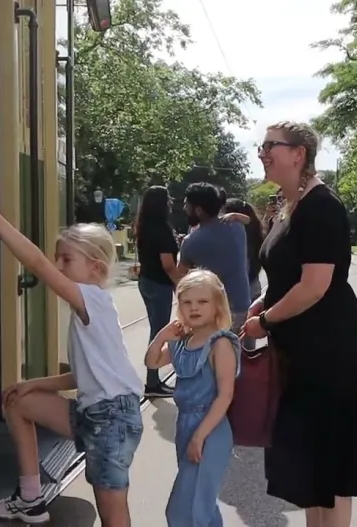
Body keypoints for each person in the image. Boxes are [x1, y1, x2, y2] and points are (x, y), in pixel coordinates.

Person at [0, 190, 143, 526]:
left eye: (66, 260)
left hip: (111, 418)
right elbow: (81, 376)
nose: (58, 266)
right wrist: (31, 385)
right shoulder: (90, 309)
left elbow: (36, 263)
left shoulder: (90, 299)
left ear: (95, 268)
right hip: (98, 413)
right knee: (18, 402)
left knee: (112, 511)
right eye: (57, 259)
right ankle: (31, 499)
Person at [243, 121, 357, 527]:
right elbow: (287, 275)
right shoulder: (289, 204)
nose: (262, 153)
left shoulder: (321, 205)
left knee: (329, 465)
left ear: (299, 153)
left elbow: (314, 286)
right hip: (301, 347)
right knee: (311, 466)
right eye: (261, 147)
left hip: (327, 347)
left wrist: (265, 319)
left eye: (270, 146)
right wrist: (265, 299)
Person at [144, 270, 240, 527]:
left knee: (184, 510)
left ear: (217, 305)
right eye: (187, 302)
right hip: (185, 424)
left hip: (211, 428)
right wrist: (162, 336)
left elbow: (225, 395)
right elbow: (152, 361)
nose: (194, 308)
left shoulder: (220, 344)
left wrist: (200, 436)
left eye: (202, 302)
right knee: (202, 503)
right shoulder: (182, 341)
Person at [178, 182, 251, 335]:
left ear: (198, 210)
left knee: (215, 356)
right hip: (242, 305)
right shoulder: (237, 227)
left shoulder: (191, 241)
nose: (184, 209)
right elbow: (248, 220)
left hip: (215, 312)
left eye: (187, 205)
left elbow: (181, 277)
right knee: (241, 354)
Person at [134, 186, 178, 397]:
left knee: (155, 329)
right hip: (160, 284)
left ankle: (153, 380)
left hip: (146, 281)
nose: (170, 203)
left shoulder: (143, 226)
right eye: (168, 200)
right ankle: (152, 383)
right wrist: (181, 285)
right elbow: (168, 264)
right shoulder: (162, 229)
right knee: (160, 332)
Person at [222, 198, 266, 300]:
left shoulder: (240, 235)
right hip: (254, 287)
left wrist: (235, 216)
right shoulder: (255, 232)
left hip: (240, 294)